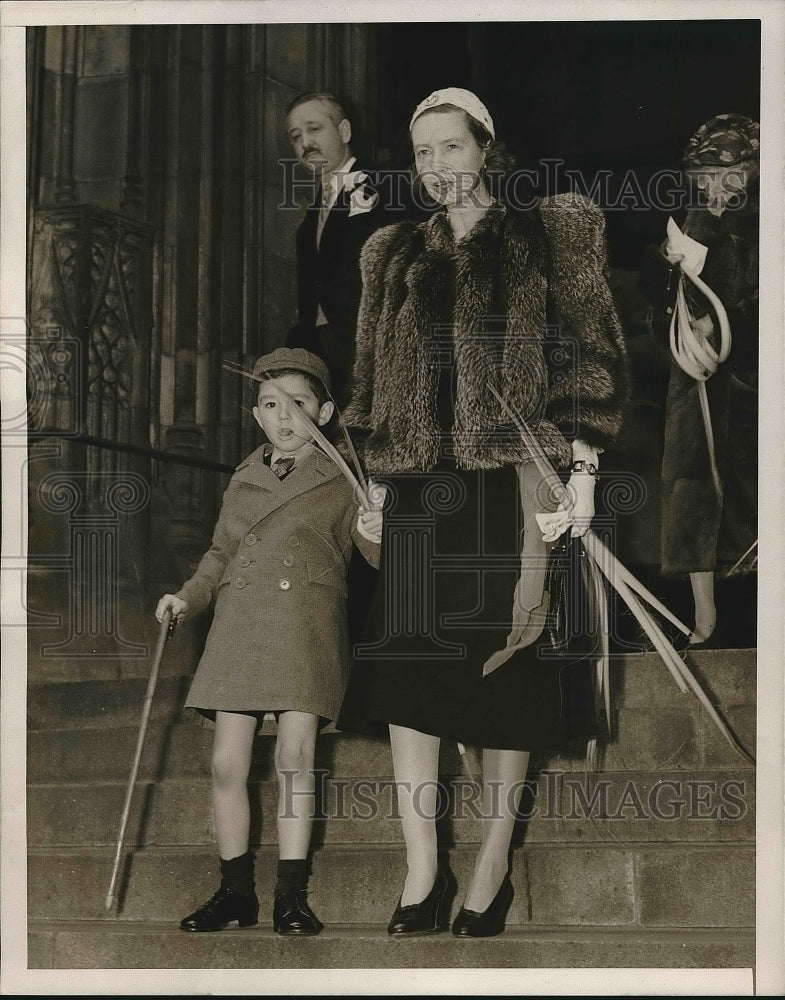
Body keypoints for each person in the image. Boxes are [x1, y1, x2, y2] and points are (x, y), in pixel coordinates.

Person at [337, 88, 629, 937]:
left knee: (507, 676)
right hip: (420, 493)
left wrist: (580, 470)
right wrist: (373, 485)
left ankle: (491, 865)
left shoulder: (549, 232)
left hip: (512, 484)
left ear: (487, 150)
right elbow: (366, 382)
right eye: (422, 152)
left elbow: (591, 352)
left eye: (451, 148)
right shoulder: (390, 252)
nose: (435, 167)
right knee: (410, 678)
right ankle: (421, 868)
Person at [156, 347, 381, 936]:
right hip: (239, 626)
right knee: (227, 764)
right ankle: (234, 893)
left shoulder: (343, 478)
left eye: (299, 405)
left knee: (294, 758)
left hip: (305, 626)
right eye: (272, 405)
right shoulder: (244, 478)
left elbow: (376, 557)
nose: (285, 418)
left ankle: (291, 895)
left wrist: (376, 527)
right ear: (257, 415)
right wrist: (187, 597)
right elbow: (219, 554)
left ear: (326, 411)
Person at [656, 114, 759, 648]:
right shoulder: (696, 218)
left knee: (753, 496)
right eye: (704, 175)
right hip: (696, 389)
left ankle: (751, 614)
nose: (716, 188)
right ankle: (703, 618)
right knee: (693, 492)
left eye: (730, 175)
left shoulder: (764, 222)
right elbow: (670, 306)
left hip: (750, 391)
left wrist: (709, 267)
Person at [284, 91, 387, 409]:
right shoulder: (312, 216)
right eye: (296, 136)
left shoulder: (382, 188)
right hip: (324, 360)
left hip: (369, 353)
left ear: (344, 131)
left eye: (314, 129)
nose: (305, 143)